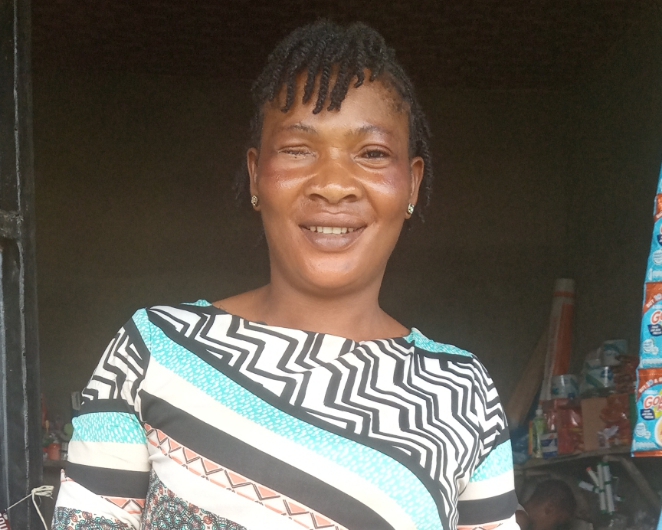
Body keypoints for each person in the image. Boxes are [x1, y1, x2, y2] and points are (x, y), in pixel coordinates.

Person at [52, 20, 518, 530]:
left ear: (411, 183)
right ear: (257, 175)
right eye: (298, 150)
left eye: (372, 153)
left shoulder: (461, 390)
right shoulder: (156, 349)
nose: (334, 186)